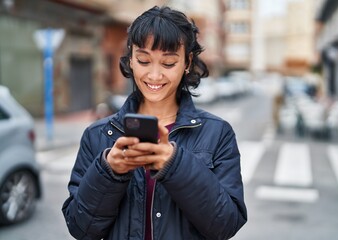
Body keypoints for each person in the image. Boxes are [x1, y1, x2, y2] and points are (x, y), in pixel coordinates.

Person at [62, 5, 247, 240]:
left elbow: (226, 225)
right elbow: (80, 229)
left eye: (168, 63)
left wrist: (175, 165)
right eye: (143, 60)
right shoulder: (97, 134)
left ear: (187, 62)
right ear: (130, 60)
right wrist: (109, 171)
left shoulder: (217, 133)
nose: (155, 75)